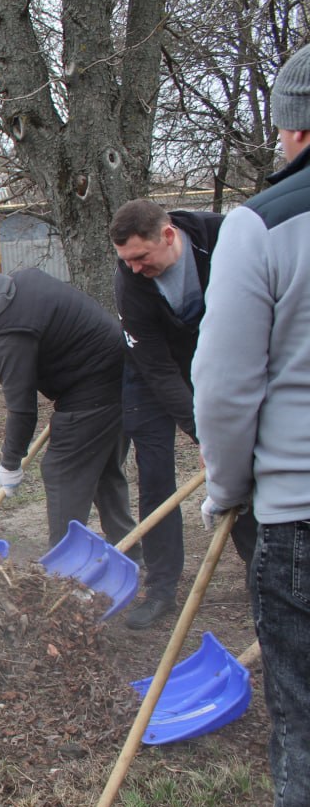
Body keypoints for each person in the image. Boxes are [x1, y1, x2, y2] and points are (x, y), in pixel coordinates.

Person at [193, 43, 310, 807]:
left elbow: (226, 385)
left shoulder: (262, 223)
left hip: (300, 510)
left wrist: (227, 488)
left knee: (304, 725)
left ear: (293, 128)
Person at [110, 200, 258, 629]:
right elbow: (158, 370)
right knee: (155, 476)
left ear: (169, 235)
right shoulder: (130, 282)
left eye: (141, 256)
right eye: (126, 259)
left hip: (220, 360)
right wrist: (203, 434)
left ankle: (260, 572)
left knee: (240, 465)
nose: (134, 267)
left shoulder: (226, 238)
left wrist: (222, 439)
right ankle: (161, 589)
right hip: (151, 372)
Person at [0, 267, 138, 554]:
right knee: (102, 468)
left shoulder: (6, 333)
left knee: (61, 470)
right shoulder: (9, 288)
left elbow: (22, 408)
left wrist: (10, 462)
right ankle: (130, 550)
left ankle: (63, 565)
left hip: (95, 383)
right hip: (113, 369)